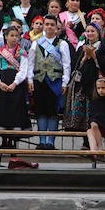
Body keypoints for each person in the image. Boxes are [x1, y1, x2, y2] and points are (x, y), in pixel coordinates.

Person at [28, 15, 70, 148]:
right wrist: (29, 79)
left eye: (52, 25)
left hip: (55, 81)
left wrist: (65, 82)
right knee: (40, 111)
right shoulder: (36, 43)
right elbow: (30, 63)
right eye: (47, 24)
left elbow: (66, 64)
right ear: (43, 26)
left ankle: (50, 142)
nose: (49, 27)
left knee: (53, 111)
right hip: (39, 80)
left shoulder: (62, 43)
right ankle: (41, 141)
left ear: (57, 27)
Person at [0, 20, 31, 142]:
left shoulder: (22, 52)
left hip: (16, 83)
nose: (14, 38)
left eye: (16, 36)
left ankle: (14, 140)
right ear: (5, 37)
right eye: (11, 35)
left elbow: (23, 70)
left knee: (16, 106)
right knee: (2, 105)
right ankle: (3, 139)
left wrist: (15, 83)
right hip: (2, 82)